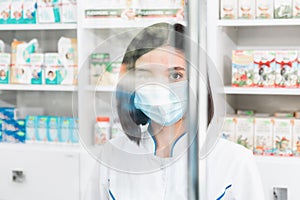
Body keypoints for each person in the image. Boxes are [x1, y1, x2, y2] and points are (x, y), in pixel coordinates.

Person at [85, 22, 265, 200]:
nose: (159, 88)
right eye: (145, 75)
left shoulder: (234, 161)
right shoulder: (112, 155)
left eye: (175, 75)